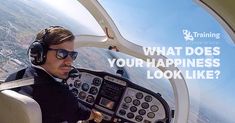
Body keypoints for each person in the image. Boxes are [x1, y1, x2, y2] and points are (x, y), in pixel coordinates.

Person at [5, 26, 103, 123]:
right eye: (61, 53)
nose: (69, 61)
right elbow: (84, 114)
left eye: (72, 55)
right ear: (40, 53)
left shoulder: (14, 77)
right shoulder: (60, 95)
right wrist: (96, 115)